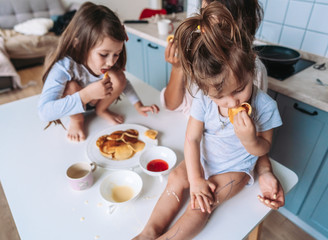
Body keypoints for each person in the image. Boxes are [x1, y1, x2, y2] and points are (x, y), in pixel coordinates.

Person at [134, 2, 282, 239]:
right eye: (220, 98)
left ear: (250, 65)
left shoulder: (265, 106)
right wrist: (195, 179)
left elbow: (264, 147)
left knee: (203, 202)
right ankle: (148, 232)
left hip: (236, 168)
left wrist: (250, 140)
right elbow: (192, 139)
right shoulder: (203, 98)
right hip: (204, 157)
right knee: (175, 178)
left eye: (239, 90)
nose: (232, 103)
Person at [161, 0, 284, 209]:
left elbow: (258, 129)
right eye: (204, 6)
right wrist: (178, 68)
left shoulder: (249, 71)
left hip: (229, 161)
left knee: (200, 207)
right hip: (190, 146)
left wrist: (264, 171)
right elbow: (173, 107)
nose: (232, 101)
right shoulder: (199, 57)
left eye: (213, 10)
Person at [38, 2, 159, 142]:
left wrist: (138, 105)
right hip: (75, 103)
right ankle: (77, 120)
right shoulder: (64, 67)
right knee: (71, 86)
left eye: (116, 54)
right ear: (79, 45)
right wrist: (87, 94)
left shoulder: (108, 63)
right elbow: (44, 112)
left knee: (118, 76)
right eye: (103, 54)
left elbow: (123, 82)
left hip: (97, 101)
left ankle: (101, 110)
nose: (111, 62)